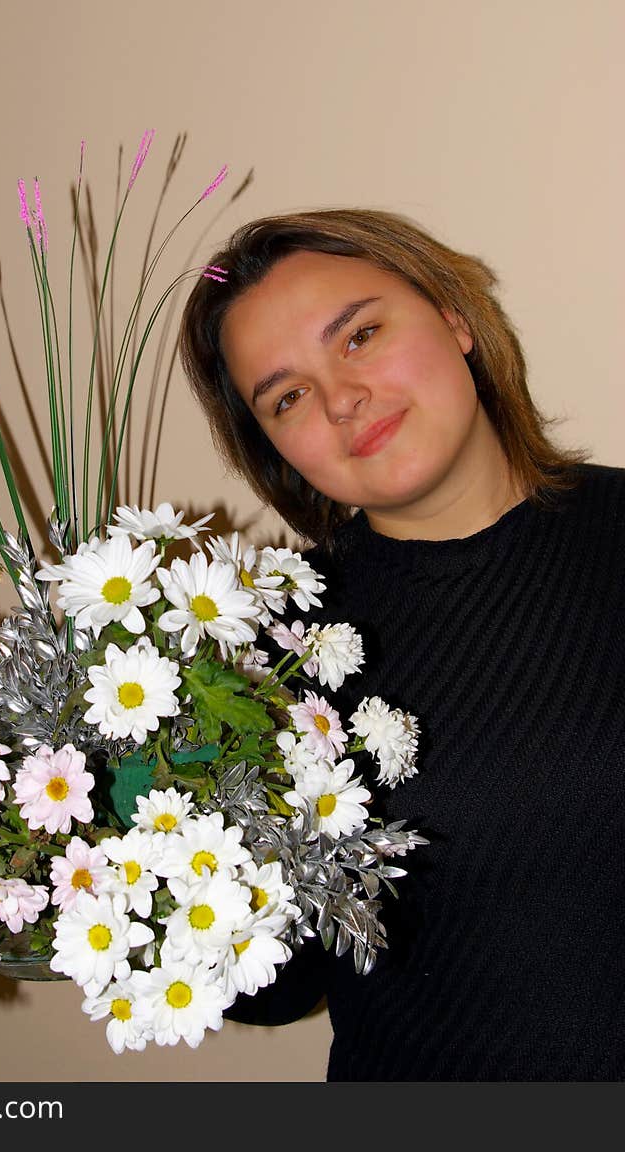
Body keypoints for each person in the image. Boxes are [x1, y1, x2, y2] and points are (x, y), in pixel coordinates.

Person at [178, 209, 625, 1081]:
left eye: (361, 335)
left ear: (455, 318)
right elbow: (270, 990)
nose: (341, 398)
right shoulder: (269, 659)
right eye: (288, 396)